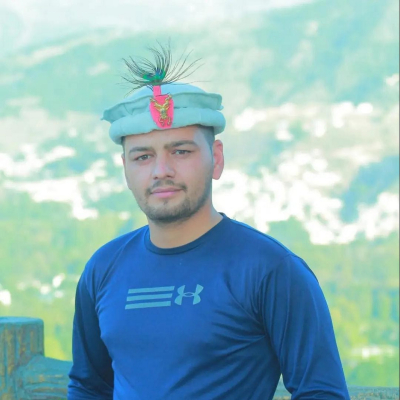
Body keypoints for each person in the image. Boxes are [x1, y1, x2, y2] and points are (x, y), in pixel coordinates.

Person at [67, 43, 351, 400]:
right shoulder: (103, 268)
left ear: (216, 159)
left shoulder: (270, 270)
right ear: (125, 169)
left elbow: (321, 392)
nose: (161, 170)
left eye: (180, 151)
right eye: (143, 156)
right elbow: (88, 386)